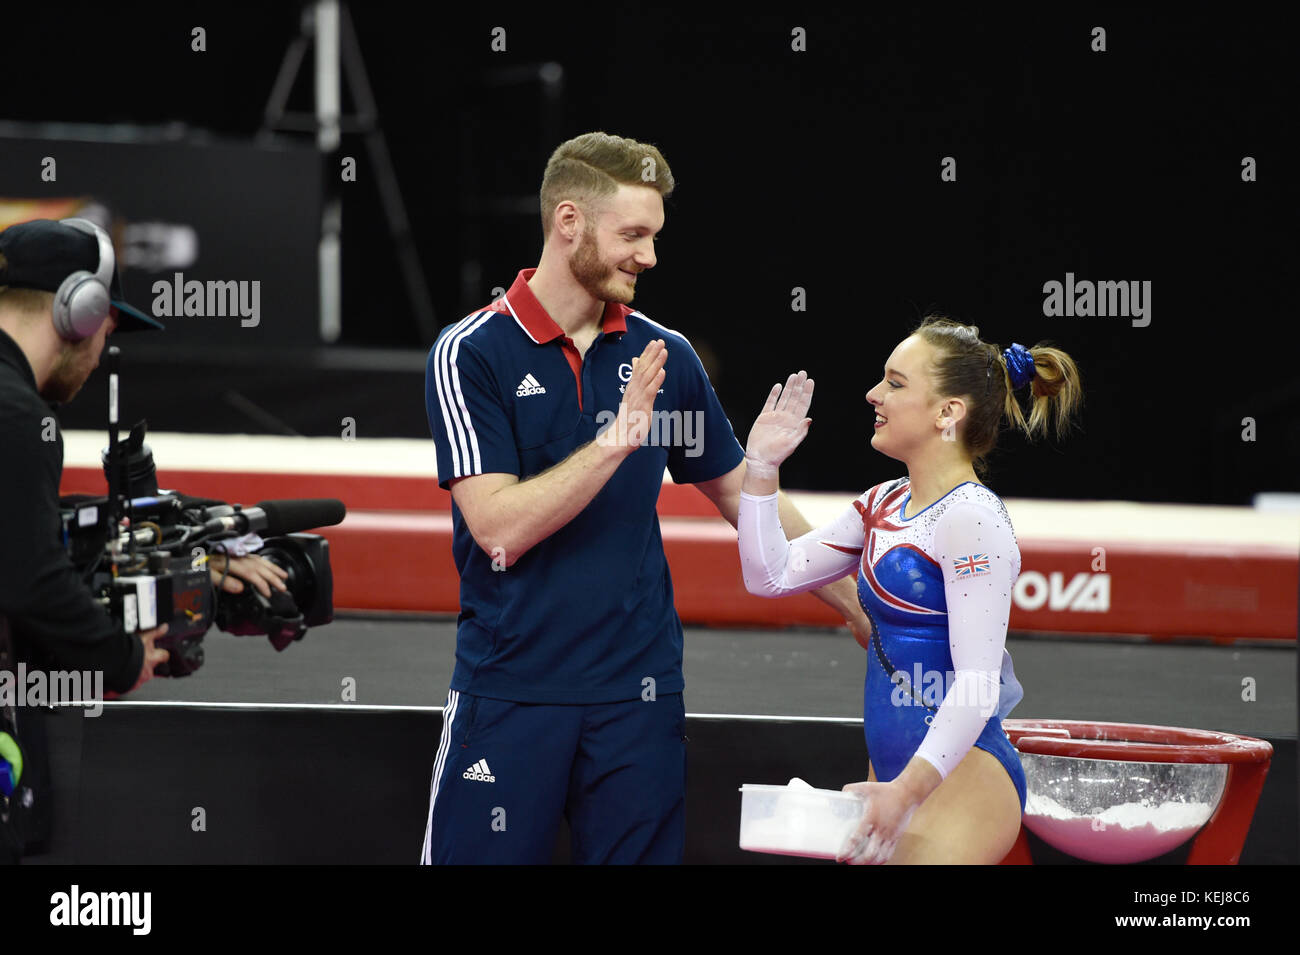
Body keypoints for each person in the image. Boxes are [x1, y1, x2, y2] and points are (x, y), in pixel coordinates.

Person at [421, 132, 872, 864]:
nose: (650, 256)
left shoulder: (665, 354)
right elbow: (499, 528)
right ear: (569, 222)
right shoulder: (471, 352)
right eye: (632, 234)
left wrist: (860, 604)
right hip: (509, 697)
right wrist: (617, 440)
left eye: (655, 236)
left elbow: (743, 499)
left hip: (639, 702)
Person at [737, 316, 1082, 864]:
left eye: (896, 384)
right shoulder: (883, 504)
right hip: (894, 774)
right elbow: (769, 576)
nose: (874, 395)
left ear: (948, 413)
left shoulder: (972, 519)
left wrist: (909, 790)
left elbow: (975, 686)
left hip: (959, 779)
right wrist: (760, 469)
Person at [0, 217, 287, 863]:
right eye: (108, 329)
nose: (103, 352)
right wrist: (125, 656)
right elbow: (30, 577)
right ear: (81, 310)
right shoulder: (17, 416)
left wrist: (177, 541)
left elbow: (25, 525)